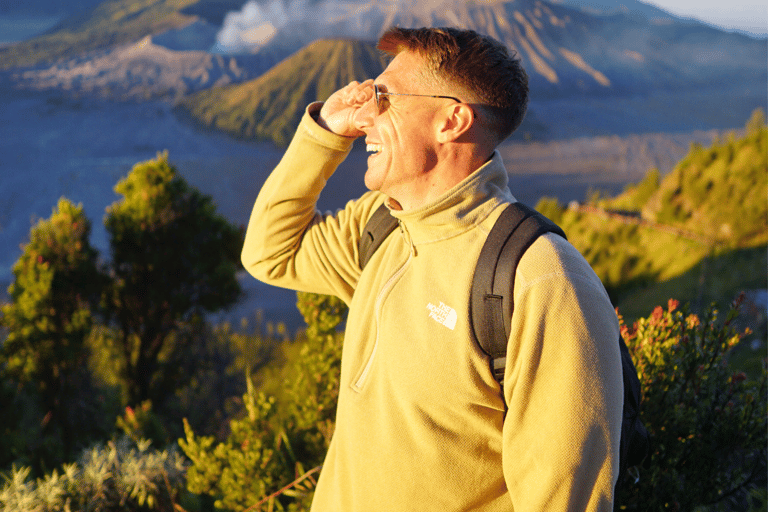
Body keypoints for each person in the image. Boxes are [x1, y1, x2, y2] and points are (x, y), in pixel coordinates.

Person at [242, 26, 623, 511]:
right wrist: (325, 133)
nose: (366, 117)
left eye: (384, 98)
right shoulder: (384, 224)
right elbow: (270, 253)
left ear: (452, 120)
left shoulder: (539, 280)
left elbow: (564, 499)